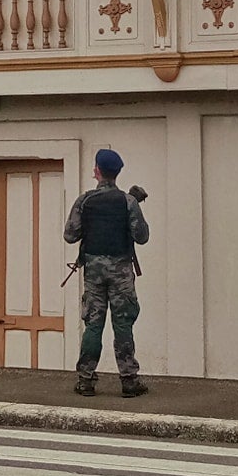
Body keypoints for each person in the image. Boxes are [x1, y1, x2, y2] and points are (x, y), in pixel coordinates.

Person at [63, 147, 149, 397]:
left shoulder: (85, 200)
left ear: (97, 172)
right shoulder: (128, 201)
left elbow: (70, 235)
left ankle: (85, 380)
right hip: (121, 271)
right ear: (117, 173)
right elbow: (141, 237)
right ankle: (129, 381)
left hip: (94, 272)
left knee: (93, 323)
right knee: (123, 324)